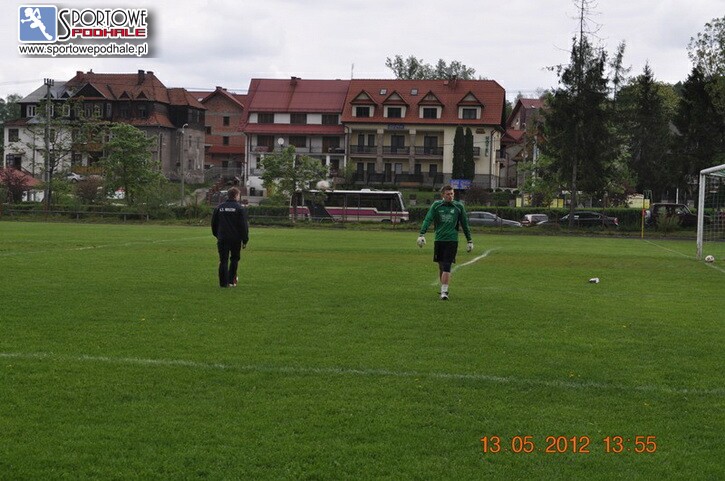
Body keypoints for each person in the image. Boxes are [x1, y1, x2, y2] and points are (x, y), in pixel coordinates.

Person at [417, 185, 473, 300]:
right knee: (441, 266)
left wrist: (469, 240)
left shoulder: (458, 207)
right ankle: (443, 288)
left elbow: (464, 224)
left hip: (452, 240)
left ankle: (444, 292)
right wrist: (422, 234)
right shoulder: (436, 206)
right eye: (448, 194)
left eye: (452, 194)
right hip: (439, 240)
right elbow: (428, 219)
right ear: (442, 195)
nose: (450, 196)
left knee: (447, 265)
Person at [211, 187, 249, 288]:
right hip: (235, 239)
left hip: (222, 238)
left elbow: (214, 224)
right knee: (234, 259)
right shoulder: (240, 208)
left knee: (223, 260)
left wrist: (217, 235)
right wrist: (245, 240)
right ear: (236, 195)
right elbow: (243, 226)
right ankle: (231, 281)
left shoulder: (219, 208)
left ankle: (223, 283)